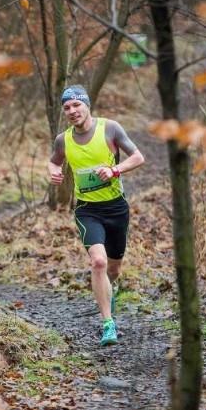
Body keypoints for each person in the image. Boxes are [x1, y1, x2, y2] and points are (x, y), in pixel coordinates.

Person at [48, 85, 144, 346]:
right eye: (66, 107)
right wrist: (53, 171)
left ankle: (108, 291)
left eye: (76, 105)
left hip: (116, 208)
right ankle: (108, 324)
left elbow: (138, 157)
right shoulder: (63, 140)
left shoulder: (110, 128)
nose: (72, 111)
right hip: (87, 210)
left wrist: (115, 170)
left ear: (87, 105)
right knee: (99, 262)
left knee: (114, 268)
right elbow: (55, 161)